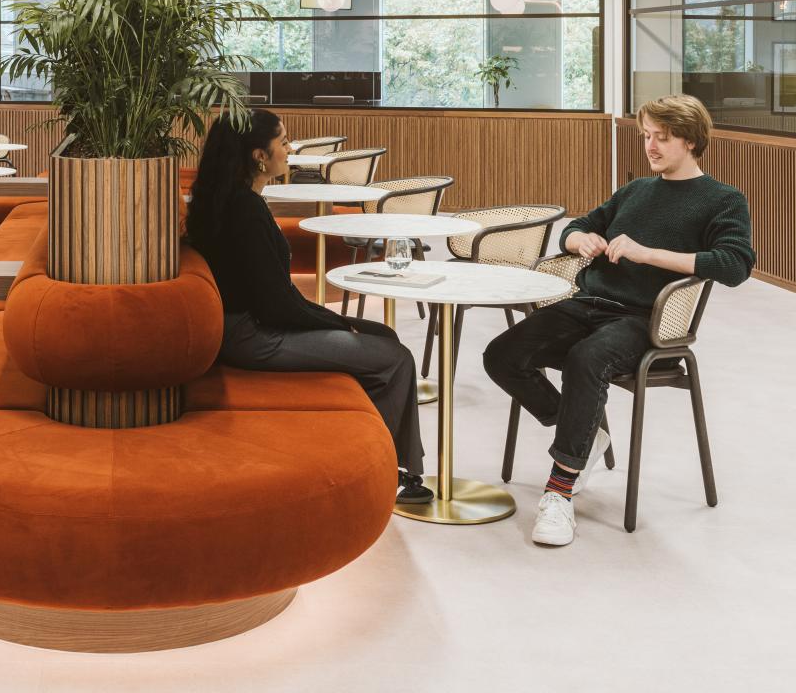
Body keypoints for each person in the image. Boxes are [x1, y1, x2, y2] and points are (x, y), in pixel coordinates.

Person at [481, 94, 754, 547]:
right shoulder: (636, 191)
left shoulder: (722, 200)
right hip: (588, 305)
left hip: (647, 320)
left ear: (690, 140)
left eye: (661, 138)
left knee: (587, 361)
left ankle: (560, 491)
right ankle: (585, 439)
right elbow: (577, 226)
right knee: (502, 354)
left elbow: (735, 265)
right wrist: (581, 241)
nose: (650, 146)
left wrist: (648, 254)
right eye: (646, 135)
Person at [184, 108, 431, 504]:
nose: (290, 148)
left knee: (381, 336)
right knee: (394, 356)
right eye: (282, 141)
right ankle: (392, 471)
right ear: (258, 156)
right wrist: (338, 323)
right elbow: (276, 305)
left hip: (242, 326)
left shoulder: (229, 200)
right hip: (252, 336)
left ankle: (373, 457)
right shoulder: (244, 211)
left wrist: (338, 323)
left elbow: (274, 296)